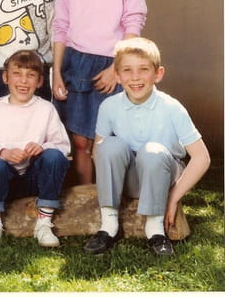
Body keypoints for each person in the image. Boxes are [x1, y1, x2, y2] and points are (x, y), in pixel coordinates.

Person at [84, 38, 210, 256]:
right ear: (117, 75)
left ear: (158, 74)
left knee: (152, 151)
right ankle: (109, 225)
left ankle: (155, 230)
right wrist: (115, 183)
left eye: (143, 69)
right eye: (127, 70)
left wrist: (173, 197)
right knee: (108, 145)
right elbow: (98, 151)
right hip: (132, 179)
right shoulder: (109, 106)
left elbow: (202, 158)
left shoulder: (172, 107)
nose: (135, 77)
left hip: (164, 176)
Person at [52, 0, 147, 185]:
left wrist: (116, 68)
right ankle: (85, 195)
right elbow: (60, 29)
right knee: (80, 141)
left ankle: (111, 195)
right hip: (76, 64)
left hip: (113, 63)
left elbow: (133, 26)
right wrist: (57, 73)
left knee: (109, 140)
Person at [0, 50, 70, 248]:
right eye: (17, 74)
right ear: (5, 77)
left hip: (35, 179)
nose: (23, 81)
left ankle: (44, 223)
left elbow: (63, 146)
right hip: (4, 179)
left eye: (31, 75)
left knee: (53, 156)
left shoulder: (46, 109)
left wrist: (42, 147)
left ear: (40, 81)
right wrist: (3, 152)